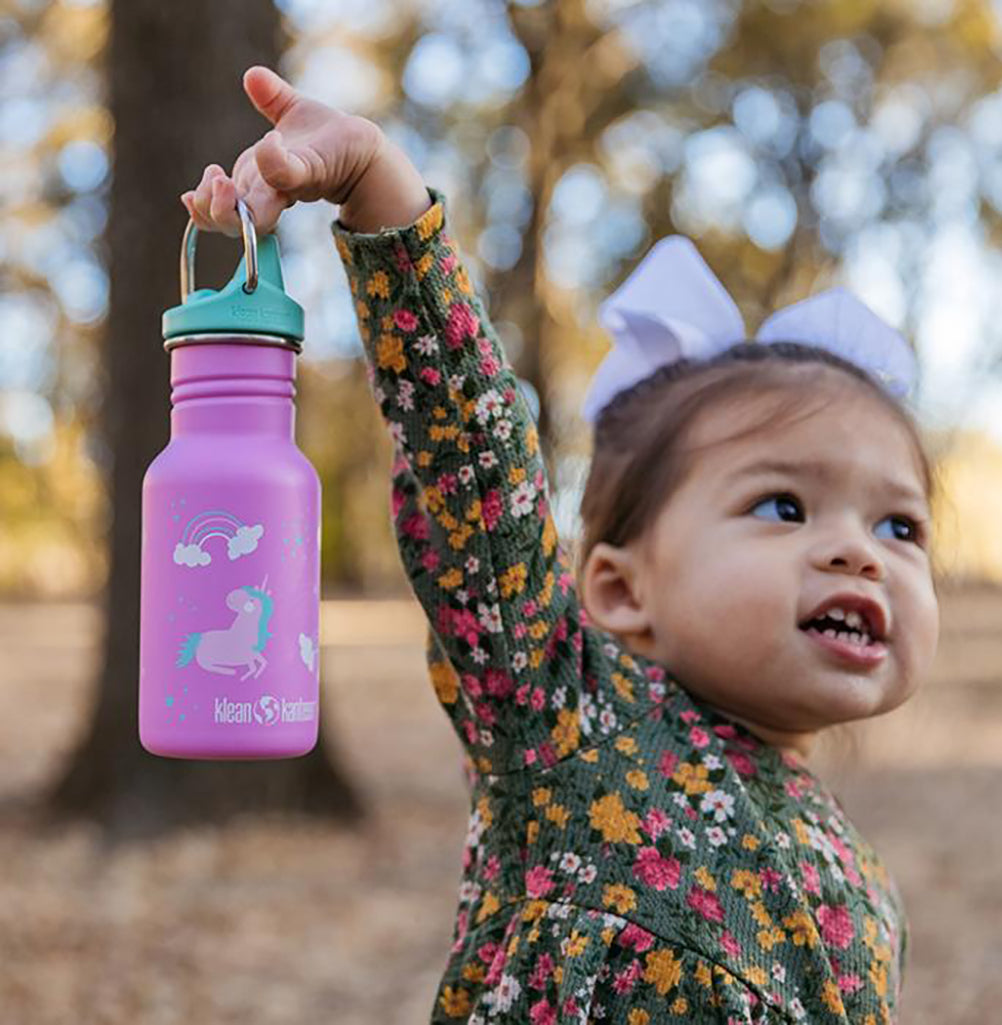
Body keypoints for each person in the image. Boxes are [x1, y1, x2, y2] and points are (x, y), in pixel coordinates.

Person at [184, 65, 939, 1024]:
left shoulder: (865, 886)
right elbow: (472, 464)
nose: (858, 552)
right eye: (784, 508)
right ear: (622, 589)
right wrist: (378, 188)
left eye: (899, 525)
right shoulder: (565, 718)